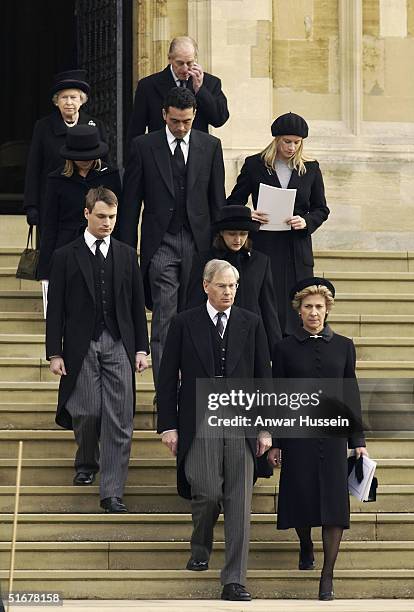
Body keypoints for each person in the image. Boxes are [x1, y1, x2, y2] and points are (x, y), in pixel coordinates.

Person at [157, 259, 272, 601]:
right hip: (200, 418)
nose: (228, 292)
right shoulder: (183, 323)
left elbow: (263, 376)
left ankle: (234, 580)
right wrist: (168, 425)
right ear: (206, 285)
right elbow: (166, 378)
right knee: (206, 491)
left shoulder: (251, 323)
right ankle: (200, 545)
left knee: (238, 501)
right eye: (222, 286)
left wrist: (266, 428)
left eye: (233, 286)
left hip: (242, 419)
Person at [45, 186, 149, 513]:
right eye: (101, 216)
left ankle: (111, 492)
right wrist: (54, 352)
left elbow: (136, 307)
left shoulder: (125, 254)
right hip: (81, 344)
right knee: (88, 411)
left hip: (119, 341)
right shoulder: (64, 256)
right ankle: (87, 459)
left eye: (113, 217)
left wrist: (142, 349)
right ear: (86, 213)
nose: (107, 222)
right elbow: (56, 309)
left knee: (119, 420)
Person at [268, 277, 367, 601]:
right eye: (308, 307)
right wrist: (277, 442)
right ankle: (305, 543)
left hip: (335, 438)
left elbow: (350, 394)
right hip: (298, 439)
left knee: (335, 506)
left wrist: (358, 441)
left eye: (319, 307)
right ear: (299, 311)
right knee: (300, 499)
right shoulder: (283, 348)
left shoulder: (344, 346)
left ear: (328, 310)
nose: (314, 312)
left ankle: (327, 576)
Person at [119, 86, 225, 387]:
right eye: (175, 121)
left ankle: (190, 386)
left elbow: (217, 201)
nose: (181, 127)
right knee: (165, 316)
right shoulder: (143, 146)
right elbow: (131, 203)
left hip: (199, 243)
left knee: (195, 317)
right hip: (161, 243)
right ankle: (165, 391)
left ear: (194, 117)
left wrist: (221, 250)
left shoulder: (211, 146)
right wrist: (127, 251)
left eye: (187, 121)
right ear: (164, 115)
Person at [227, 112, 330, 336]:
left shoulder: (310, 168)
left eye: (297, 142)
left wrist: (306, 221)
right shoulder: (255, 165)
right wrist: (249, 215)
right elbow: (233, 202)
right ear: (276, 140)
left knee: (296, 306)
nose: (291, 147)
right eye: (287, 141)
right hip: (264, 245)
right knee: (266, 304)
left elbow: (321, 209)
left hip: (296, 248)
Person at [185, 205, 281, 355]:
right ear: (221, 233)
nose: (238, 239)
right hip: (212, 337)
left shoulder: (261, 261)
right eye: (232, 234)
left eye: (243, 234)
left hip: (250, 337)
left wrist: (275, 350)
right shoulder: (202, 260)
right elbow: (193, 303)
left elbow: (268, 308)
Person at [24, 69, 108, 232]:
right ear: (56, 101)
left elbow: (104, 166)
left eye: (73, 97)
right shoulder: (43, 127)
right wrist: (31, 205)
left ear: (82, 100)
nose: (69, 102)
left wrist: (105, 200)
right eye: (64, 97)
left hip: (87, 205)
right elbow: (34, 167)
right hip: (51, 203)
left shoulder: (95, 126)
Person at [38, 125, 121, 280]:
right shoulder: (56, 179)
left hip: (101, 248)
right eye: (80, 156)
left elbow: (118, 218)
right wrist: (45, 268)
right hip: (66, 249)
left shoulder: (110, 175)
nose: (85, 161)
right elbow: (49, 225)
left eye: (89, 156)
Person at [126, 35, 229, 150]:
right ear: (170, 58)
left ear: (195, 59)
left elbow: (219, 119)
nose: (185, 69)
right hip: (160, 154)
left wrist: (200, 90)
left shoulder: (210, 83)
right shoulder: (148, 86)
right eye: (180, 63)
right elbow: (135, 130)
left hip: (197, 154)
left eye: (189, 63)